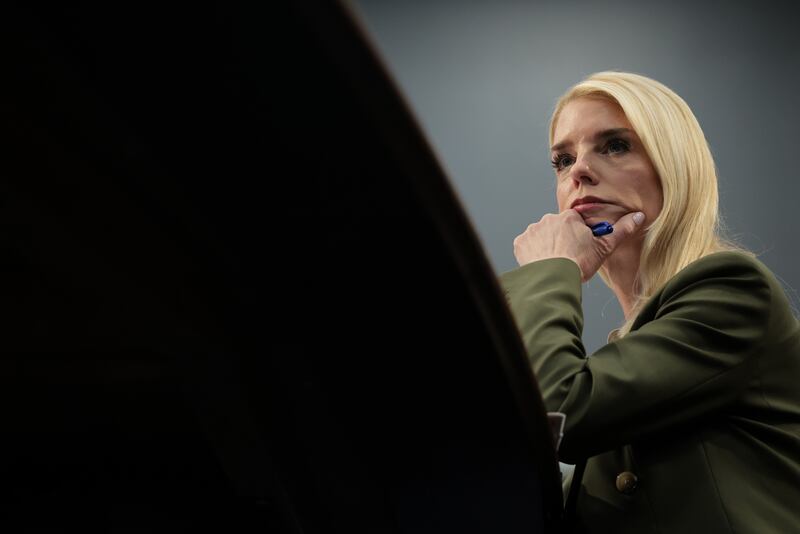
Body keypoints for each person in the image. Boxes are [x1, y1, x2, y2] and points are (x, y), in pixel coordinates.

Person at [499, 71, 800, 533]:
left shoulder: (733, 288)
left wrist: (549, 270)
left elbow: (562, 412)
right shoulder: (634, 345)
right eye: (562, 159)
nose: (577, 170)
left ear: (673, 167)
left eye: (615, 145)